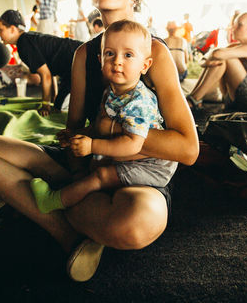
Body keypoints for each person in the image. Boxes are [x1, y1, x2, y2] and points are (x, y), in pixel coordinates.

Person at [0, 0, 198, 283]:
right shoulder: (84, 55)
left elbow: (187, 149)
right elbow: (74, 131)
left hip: (137, 179)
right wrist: (78, 158)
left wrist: (110, 132)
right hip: (88, 165)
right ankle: (68, 232)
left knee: (135, 223)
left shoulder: (155, 54)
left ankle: (40, 203)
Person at [30, 20, 178, 213]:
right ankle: (82, 201)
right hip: (132, 155)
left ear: (145, 65)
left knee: (100, 175)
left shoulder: (138, 102)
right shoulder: (112, 92)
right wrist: (80, 134)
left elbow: (133, 144)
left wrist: (92, 145)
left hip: (151, 165)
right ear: (100, 60)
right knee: (93, 166)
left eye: (128, 55)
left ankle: (53, 201)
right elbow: (100, 126)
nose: (117, 61)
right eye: (110, 54)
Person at [0, 10, 83, 114]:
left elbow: (45, 75)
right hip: (73, 67)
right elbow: (49, 72)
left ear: (13, 29)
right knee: (58, 105)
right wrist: (53, 98)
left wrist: (45, 105)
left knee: (64, 108)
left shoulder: (24, 45)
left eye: (1, 30)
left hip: (82, 63)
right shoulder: (30, 38)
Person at [187, 12, 247, 114]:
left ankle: (193, 100)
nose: (232, 27)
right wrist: (206, 62)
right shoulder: (236, 47)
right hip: (234, 98)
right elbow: (207, 57)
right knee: (222, 56)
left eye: (239, 25)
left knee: (225, 58)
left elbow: (217, 54)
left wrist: (209, 59)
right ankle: (193, 97)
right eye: (234, 24)